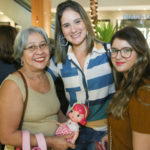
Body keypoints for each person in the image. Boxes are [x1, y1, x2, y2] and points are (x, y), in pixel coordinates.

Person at [47, 0, 115, 149]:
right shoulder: (58, 61)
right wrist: (60, 115)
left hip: (104, 133)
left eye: (77, 21)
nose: (73, 29)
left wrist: (114, 130)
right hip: (73, 134)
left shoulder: (108, 52)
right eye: (66, 25)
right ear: (61, 31)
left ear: (85, 22)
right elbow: (39, 85)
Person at [0, 26, 75, 150]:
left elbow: (56, 112)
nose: (40, 51)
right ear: (20, 53)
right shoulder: (13, 85)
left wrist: (72, 126)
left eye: (43, 45)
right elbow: (6, 136)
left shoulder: (48, 76)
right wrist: (51, 141)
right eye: (31, 47)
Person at [107, 26, 150, 150]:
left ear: (140, 53)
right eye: (114, 50)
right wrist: (113, 135)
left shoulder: (142, 93)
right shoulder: (126, 84)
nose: (118, 56)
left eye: (126, 50)